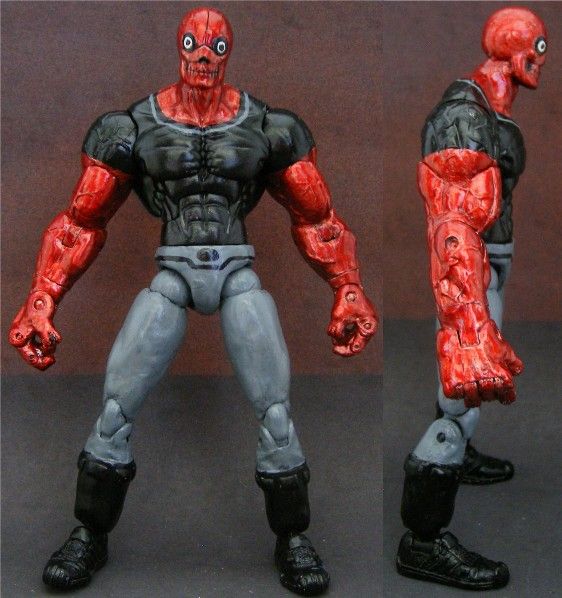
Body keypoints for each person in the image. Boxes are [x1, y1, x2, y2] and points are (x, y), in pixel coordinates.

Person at [9, 8, 377, 595]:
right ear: (179, 48)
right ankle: (89, 533)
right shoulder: (132, 128)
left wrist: (347, 287)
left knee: (275, 413)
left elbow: (318, 219)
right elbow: (80, 222)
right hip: (174, 274)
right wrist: (42, 297)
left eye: (215, 47)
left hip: (236, 271)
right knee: (116, 407)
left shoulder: (269, 128)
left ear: (228, 53)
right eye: (192, 43)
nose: (203, 56)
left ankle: (293, 538)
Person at [396, 7, 547, 590]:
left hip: (492, 262)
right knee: (461, 397)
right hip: (472, 271)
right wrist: (468, 325)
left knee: (466, 398)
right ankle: (422, 540)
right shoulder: (464, 114)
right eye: (536, 48)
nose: (541, 60)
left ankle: (463, 453)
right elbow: (453, 227)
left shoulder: (495, 109)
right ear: (511, 47)